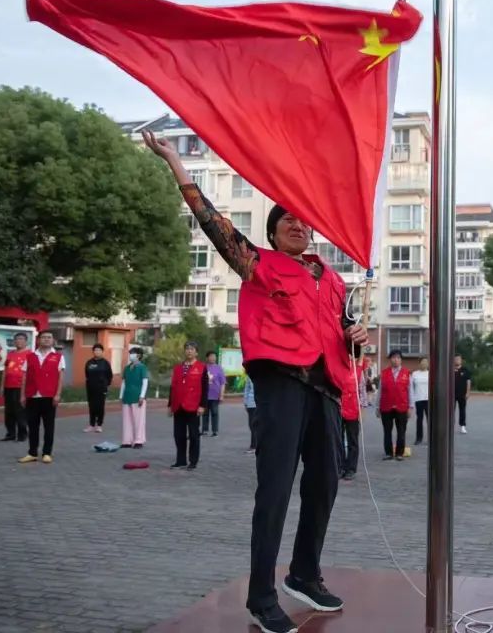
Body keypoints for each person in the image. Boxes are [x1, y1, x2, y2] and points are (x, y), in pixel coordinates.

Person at [143, 132, 366, 633]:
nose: (298, 225)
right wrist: (177, 163)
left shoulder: (332, 280)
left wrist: (356, 337)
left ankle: (304, 574)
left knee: (326, 482)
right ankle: (262, 597)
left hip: (326, 390)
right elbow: (215, 226)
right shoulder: (259, 265)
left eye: (304, 221)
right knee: (276, 488)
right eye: (288, 220)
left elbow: (345, 336)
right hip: (282, 386)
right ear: (273, 232)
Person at [19, 331, 65, 464]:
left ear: (53, 340)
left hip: (49, 396)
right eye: (43, 337)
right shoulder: (30, 356)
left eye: (49, 337)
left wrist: (58, 394)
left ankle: (47, 453)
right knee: (32, 426)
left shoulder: (58, 357)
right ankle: (32, 453)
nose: (46, 339)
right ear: (38, 340)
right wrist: (22, 395)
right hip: (32, 395)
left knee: (49, 427)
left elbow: (60, 377)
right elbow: (24, 377)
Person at [169, 341, 208, 471]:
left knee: (193, 435)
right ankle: (181, 461)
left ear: (196, 352)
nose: (189, 351)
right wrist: (170, 405)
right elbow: (173, 387)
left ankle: (193, 461)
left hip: (193, 406)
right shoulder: (178, 368)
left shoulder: (202, 367)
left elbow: (205, 388)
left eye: (192, 349)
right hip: (178, 406)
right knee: (178, 435)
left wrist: (202, 405)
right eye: (187, 349)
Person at [377, 350, 411, 461]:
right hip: (386, 406)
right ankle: (388, 453)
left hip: (402, 406)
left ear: (401, 360)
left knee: (401, 431)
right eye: (393, 358)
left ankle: (399, 453)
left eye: (398, 358)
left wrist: (410, 407)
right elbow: (380, 391)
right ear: (390, 359)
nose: (396, 360)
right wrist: (377, 407)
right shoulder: (384, 373)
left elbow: (410, 391)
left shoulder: (406, 373)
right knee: (387, 431)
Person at [0, 332, 31, 443]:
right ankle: (10, 434)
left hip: (21, 387)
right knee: (9, 411)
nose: (18, 341)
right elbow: (5, 370)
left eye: (21, 339)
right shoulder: (10, 354)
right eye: (16, 339)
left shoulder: (30, 354)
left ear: (26, 341)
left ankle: (22, 435)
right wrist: (2, 386)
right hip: (8, 386)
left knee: (20, 411)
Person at [119, 347, 149, 449]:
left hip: (137, 397)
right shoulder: (127, 368)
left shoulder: (142, 367)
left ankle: (139, 440)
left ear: (139, 356)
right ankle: (127, 441)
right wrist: (121, 396)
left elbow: (145, 382)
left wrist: (142, 396)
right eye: (130, 353)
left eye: (133, 353)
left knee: (139, 420)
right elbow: (124, 382)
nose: (131, 355)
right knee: (127, 420)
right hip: (127, 396)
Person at [84, 343, 113, 433]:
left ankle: (99, 425)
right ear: (93, 352)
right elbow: (87, 374)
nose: (97, 352)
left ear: (102, 352)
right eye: (95, 350)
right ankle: (91, 425)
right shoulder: (89, 362)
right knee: (92, 406)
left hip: (101, 388)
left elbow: (109, 375)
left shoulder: (105, 363)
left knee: (100, 406)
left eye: (99, 350)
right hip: (91, 388)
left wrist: (106, 385)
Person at [340, 359, 361, 480]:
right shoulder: (337, 367)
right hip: (338, 408)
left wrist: (362, 408)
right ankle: (341, 466)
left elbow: (362, 390)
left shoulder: (357, 369)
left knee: (352, 440)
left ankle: (351, 468)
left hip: (353, 410)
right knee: (339, 439)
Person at [203, 351, 227, 437]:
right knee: (204, 413)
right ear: (207, 358)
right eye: (211, 356)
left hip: (215, 395)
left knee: (215, 413)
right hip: (205, 395)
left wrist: (221, 395)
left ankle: (215, 430)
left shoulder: (219, 368)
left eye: (214, 356)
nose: (213, 358)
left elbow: (223, 383)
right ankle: (205, 430)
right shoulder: (203, 368)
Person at [411, 357, 430, 446]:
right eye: (422, 362)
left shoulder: (430, 373)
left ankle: (431, 438)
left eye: (426, 362)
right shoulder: (415, 374)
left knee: (430, 420)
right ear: (419, 363)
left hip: (429, 400)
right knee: (419, 419)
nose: (424, 363)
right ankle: (419, 438)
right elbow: (411, 388)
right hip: (418, 399)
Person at [453, 355, 471, 434]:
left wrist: (468, 392)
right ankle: (451, 425)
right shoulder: (450, 369)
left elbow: (468, 382)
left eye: (458, 359)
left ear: (461, 360)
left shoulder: (465, 370)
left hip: (462, 394)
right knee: (451, 411)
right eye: (456, 359)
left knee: (462, 410)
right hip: (452, 394)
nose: (457, 360)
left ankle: (462, 426)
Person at [243, 370, 257, 454]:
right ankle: (254, 445)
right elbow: (247, 389)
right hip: (251, 403)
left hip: (261, 403)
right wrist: (245, 402)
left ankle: (255, 445)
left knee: (259, 425)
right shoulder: (250, 375)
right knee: (252, 425)